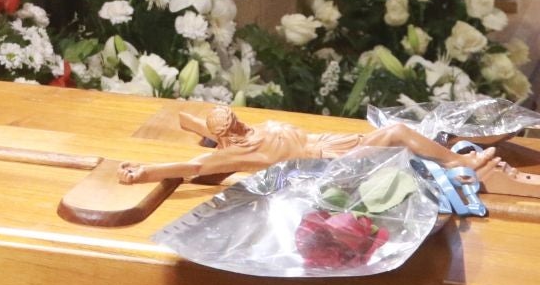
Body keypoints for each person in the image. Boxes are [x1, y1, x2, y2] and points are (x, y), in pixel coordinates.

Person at [116, 104, 490, 185]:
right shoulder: (241, 152)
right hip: (327, 164)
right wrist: (147, 171)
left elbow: (205, 125)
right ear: (227, 138)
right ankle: (462, 164)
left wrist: (195, 121)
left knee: (401, 138)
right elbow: (196, 166)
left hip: (332, 142)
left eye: (235, 117)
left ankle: (445, 156)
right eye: (233, 125)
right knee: (397, 132)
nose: (241, 123)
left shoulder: (248, 131)